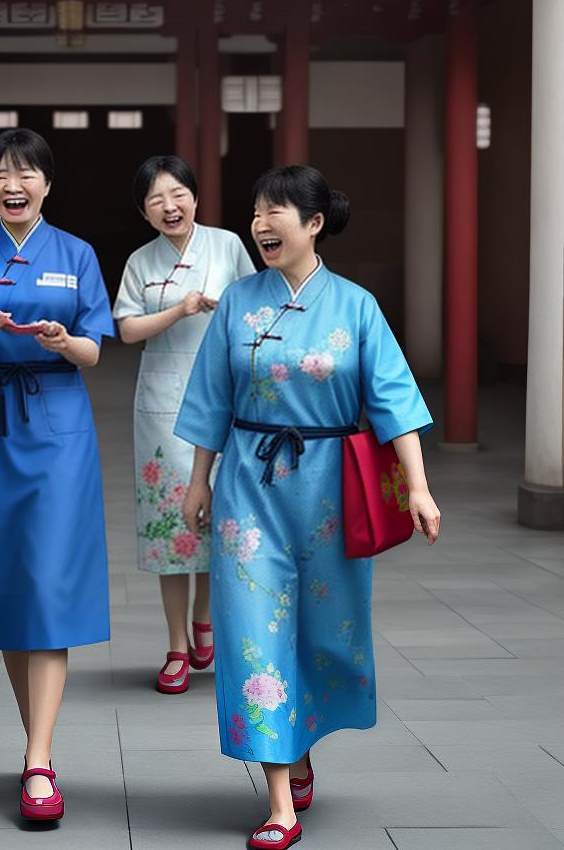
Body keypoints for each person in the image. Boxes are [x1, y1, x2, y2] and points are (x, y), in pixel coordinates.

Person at [175, 164, 441, 850]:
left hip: (331, 490)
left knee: (325, 629)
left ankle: (301, 746)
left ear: (314, 223)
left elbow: (394, 402)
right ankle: (276, 802)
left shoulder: (356, 306)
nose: (261, 224)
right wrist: (198, 480)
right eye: (256, 212)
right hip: (248, 489)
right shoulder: (237, 302)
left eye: (277, 212)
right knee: (252, 630)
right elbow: (210, 396)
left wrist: (417, 485)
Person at [0, 128, 115, 822]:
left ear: (47, 183)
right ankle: (33, 745)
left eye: (27, 174)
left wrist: (64, 341)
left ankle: (39, 758)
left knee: (47, 582)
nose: (14, 185)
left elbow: (94, 350)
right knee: (11, 586)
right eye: (1, 175)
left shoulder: (77, 255)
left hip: (58, 429)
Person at [113, 155, 254, 694]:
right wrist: (181, 308)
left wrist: (222, 312)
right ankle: (176, 645)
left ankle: (206, 618)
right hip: (162, 405)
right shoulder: (139, 262)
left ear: (195, 197)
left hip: (224, 399)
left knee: (219, 519)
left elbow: (253, 312)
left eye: (179, 195)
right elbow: (126, 330)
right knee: (171, 528)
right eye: (156, 200)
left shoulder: (228, 246)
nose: (170, 206)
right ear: (144, 212)